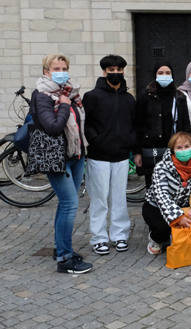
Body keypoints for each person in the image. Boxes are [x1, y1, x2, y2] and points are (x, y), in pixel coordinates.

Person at [30, 53, 92, 273]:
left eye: (64, 67)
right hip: (56, 158)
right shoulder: (42, 95)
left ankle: (60, 248)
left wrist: (67, 102)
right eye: (56, 68)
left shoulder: (70, 92)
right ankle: (65, 260)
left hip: (75, 155)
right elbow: (54, 127)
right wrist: (64, 105)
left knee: (66, 203)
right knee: (70, 204)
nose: (61, 72)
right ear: (46, 71)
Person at [83, 54, 136, 255]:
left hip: (122, 156)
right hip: (98, 157)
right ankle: (98, 238)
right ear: (104, 72)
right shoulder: (92, 96)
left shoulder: (128, 98)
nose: (115, 73)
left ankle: (120, 235)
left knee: (119, 198)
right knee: (99, 199)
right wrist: (97, 141)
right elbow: (86, 125)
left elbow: (133, 124)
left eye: (119, 70)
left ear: (123, 71)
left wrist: (130, 142)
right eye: (111, 70)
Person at [142, 132, 191, 255]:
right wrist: (178, 217)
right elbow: (162, 197)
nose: (183, 150)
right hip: (156, 206)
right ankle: (154, 238)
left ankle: (179, 236)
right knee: (164, 228)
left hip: (185, 205)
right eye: (179, 147)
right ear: (172, 150)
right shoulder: (160, 167)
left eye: (186, 146)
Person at [134, 61, 191, 188]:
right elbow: (138, 125)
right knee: (153, 188)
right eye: (160, 73)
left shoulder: (179, 96)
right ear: (155, 75)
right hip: (152, 149)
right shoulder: (145, 95)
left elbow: (186, 123)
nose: (164, 75)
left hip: (175, 149)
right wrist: (137, 152)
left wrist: (189, 147)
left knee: (174, 186)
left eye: (167, 73)